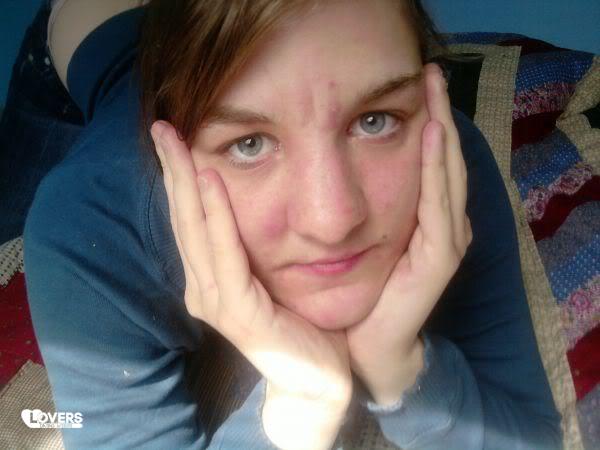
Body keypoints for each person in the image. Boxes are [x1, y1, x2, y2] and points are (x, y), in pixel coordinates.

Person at [22, 1, 563, 449]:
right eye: (249, 143)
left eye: (374, 120)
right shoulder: (85, 228)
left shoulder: (445, 160)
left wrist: (400, 365)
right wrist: (302, 403)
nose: (332, 223)